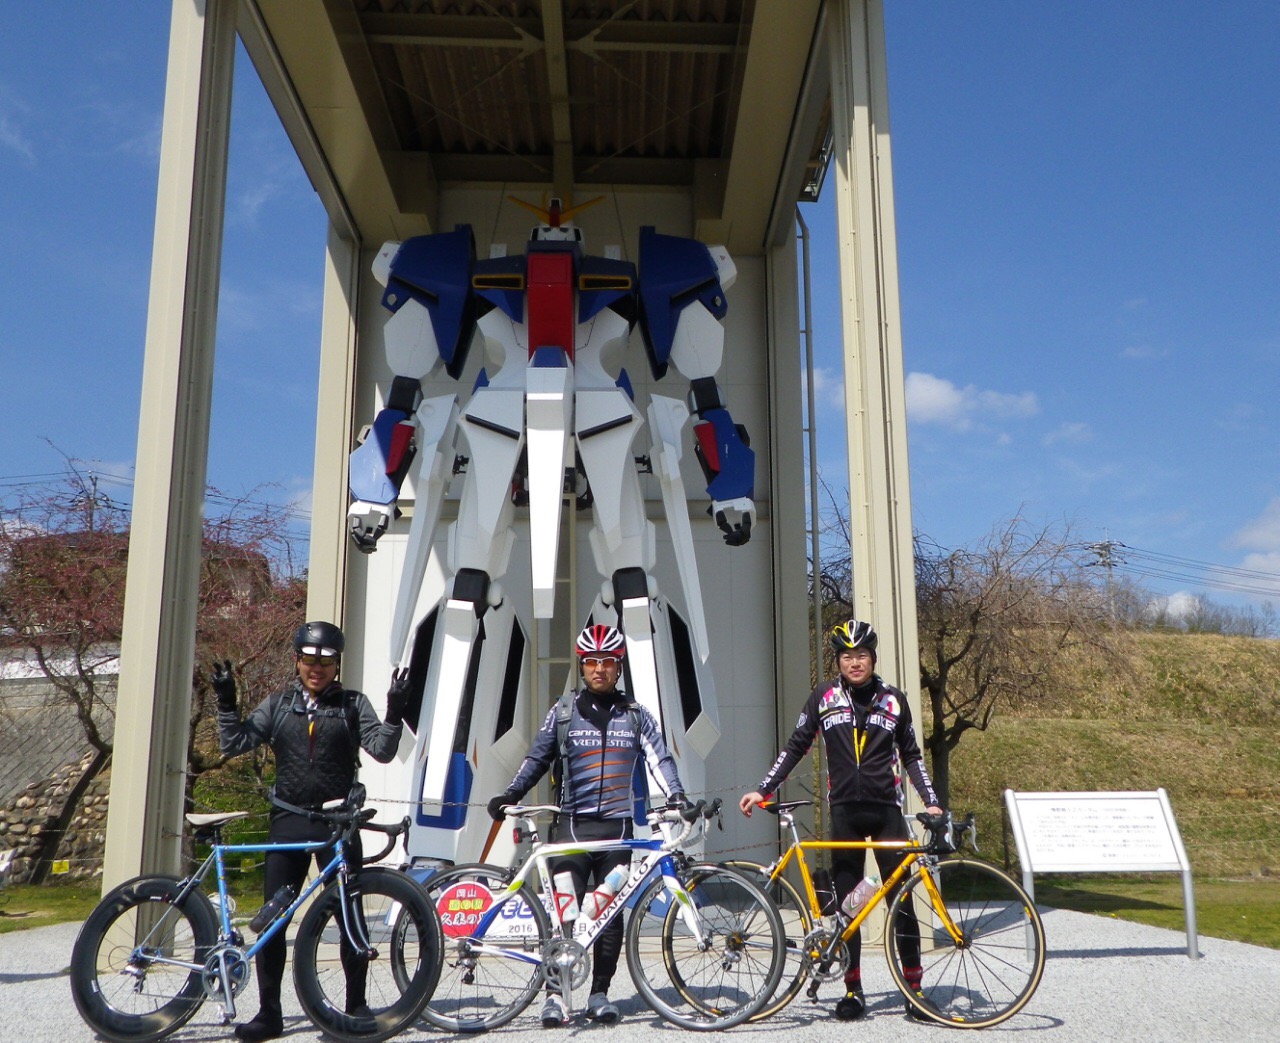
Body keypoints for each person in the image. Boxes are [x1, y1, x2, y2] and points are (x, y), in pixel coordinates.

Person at [214, 620, 409, 1042]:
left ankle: (356, 1005)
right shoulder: (279, 705)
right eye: (308, 659)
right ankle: (269, 1014)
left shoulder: (353, 704)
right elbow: (233, 743)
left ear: (337, 664)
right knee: (273, 920)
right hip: (289, 820)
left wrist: (396, 710)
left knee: (348, 914)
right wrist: (227, 703)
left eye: (326, 661)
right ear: (296, 661)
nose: (316, 668)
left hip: (338, 823)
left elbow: (382, 749)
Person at [739, 619, 942, 1022]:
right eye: (847, 656)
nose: (855, 662)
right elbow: (796, 746)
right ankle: (852, 990)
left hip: (886, 813)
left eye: (861, 655)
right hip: (845, 813)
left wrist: (931, 802)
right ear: (838, 661)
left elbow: (912, 756)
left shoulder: (894, 700)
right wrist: (764, 789)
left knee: (901, 903)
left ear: (873, 658)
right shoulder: (823, 697)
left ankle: (915, 991)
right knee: (849, 909)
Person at [488, 623, 689, 1028]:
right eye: (592, 662)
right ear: (582, 666)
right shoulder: (563, 712)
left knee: (607, 917)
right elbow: (537, 757)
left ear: (619, 667)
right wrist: (511, 793)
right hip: (571, 829)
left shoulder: (636, 715)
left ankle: (599, 993)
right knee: (564, 914)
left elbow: (660, 758)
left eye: (608, 662)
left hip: (617, 833)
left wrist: (677, 796)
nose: (600, 669)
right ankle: (555, 996)